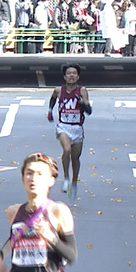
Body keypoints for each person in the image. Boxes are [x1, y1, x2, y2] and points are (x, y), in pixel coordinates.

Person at [47, 64, 92, 201]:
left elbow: (89, 111)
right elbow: (52, 100)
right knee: (66, 150)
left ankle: (74, 181)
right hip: (63, 127)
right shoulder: (58, 90)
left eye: (74, 73)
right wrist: (50, 111)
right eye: (69, 73)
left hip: (77, 128)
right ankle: (66, 178)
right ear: (64, 76)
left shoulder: (82, 90)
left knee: (75, 158)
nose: (71, 75)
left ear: (78, 76)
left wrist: (82, 103)